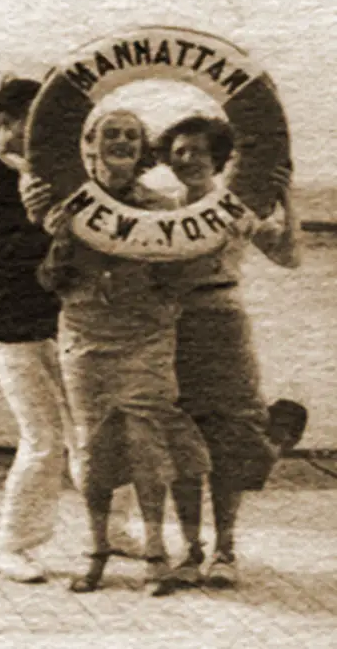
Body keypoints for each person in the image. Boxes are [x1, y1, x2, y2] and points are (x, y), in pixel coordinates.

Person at [23, 109, 212, 595]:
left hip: (144, 337)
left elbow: (182, 279)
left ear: (142, 147)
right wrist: (59, 236)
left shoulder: (163, 206)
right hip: (85, 336)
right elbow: (49, 281)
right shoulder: (65, 204)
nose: (122, 142)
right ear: (90, 145)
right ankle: (97, 549)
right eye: (112, 134)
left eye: (132, 135)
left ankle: (154, 550)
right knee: (91, 447)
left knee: (148, 445)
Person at [153, 115, 306, 590]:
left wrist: (285, 199)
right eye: (178, 151)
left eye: (198, 150)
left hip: (224, 326)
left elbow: (289, 255)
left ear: (218, 157)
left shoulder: (235, 209)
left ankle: (224, 548)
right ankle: (190, 548)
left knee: (229, 440)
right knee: (181, 442)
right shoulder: (156, 213)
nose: (188, 158)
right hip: (175, 330)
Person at [0, 76, 83, 583]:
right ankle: (11, 546)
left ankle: (110, 532)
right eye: (36, 118)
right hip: (10, 331)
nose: (46, 130)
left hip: (59, 326)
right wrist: (49, 226)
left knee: (94, 433)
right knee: (44, 439)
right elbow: (6, 261)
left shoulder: (56, 176)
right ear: (6, 123)